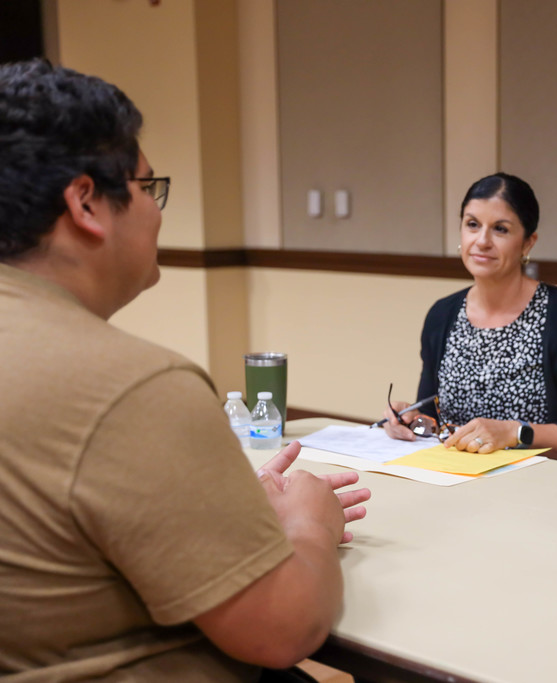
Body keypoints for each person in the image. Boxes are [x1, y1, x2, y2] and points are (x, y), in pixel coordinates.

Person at [0, 59, 371, 680]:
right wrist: (310, 522)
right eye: (149, 188)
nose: (157, 211)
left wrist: (214, 505)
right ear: (86, 202)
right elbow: (283, 630)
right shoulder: (133, 386)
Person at [383, 173, 557, 468]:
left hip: (540, 481)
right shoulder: (442, 315)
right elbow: (435, 419)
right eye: (472, 224)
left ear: (527, 244)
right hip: (454, 476)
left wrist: (515, 433)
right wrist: (411, 421)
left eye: (500, 229)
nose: (482, 241)